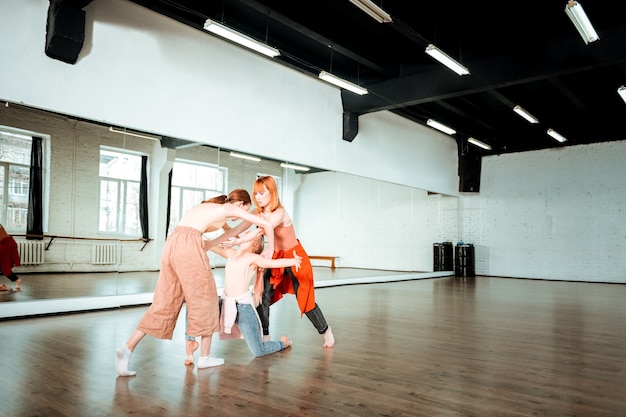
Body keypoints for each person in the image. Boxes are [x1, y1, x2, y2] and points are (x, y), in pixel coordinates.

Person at [115, 189, 275, 377]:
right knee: (207, 299)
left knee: (165, 302)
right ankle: (205, 357)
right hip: (190, 244)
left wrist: (211, 244)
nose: (236, 217)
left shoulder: (207, 207)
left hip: (173, 242)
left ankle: (127, 348)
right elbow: (265, 225)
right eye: (243, 210)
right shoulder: (230, 208)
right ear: (240, 204)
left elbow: (231, 233)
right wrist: (270, 251)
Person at [225, 176, 335, 348]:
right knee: (262, 295)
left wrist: (237, 242)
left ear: (272, 192)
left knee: (305, 300)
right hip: (275, 255)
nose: (258, 197)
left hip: (295, 257)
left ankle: (326, 331)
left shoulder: (280, 213)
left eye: (262, 193)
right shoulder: (256, 212)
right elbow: (239, 228)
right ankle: (265, 336)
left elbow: (263, 228)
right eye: (256, 193)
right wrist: (218, 239)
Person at [185, 232, 301, 363]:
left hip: (243, 309)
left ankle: (283, 343)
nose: (245, 234)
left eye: (249, 234)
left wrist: (293, 260)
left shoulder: (252, 259)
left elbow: (271, 263)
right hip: (224, 303)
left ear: (254, 244)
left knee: (259, 350)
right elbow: (210, 245)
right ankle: (190, 342)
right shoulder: (231, 253)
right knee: (194, 303)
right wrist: (196, 233)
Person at [0, 224, 22, 292]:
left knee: (4, 266)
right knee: (3, 267)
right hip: (5, 245)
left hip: (5, 246)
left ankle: (16, 280)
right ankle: (17, 279)